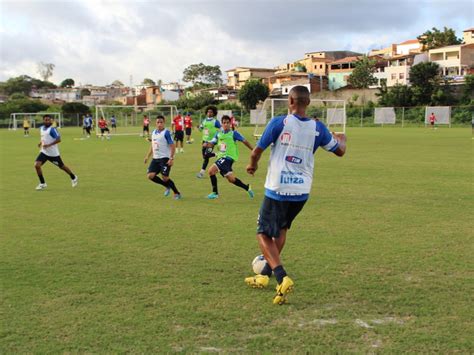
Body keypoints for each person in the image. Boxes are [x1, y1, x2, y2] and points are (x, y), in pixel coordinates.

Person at [244, 86, 346, 305]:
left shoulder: (279, 122)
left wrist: (251, 166)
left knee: (262, 233)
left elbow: (256, 151)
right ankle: (264, 275)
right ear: (308, 102)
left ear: (290, 100)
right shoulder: (319, 128)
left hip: (278, 188)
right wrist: (343, 138)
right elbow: (340, 151)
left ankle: (282, 277)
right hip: (301, 192)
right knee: (281, 229)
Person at [206, 115, 254, 199]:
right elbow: (211, 143)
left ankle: (215, 193)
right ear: (222, 124)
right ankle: (247, 187)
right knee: (231, 179)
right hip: (221, 157)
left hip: (228, 157)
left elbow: (244, 141)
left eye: (227, 123)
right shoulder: (218, 134)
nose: (225, 124)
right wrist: (208, 150)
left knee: (211, 171)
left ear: (230, 123)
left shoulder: (233, 133)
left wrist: (253, 150)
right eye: (224, 123)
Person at [34, 114, 78, 190]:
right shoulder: (41, 128)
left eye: (49, 120)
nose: (47, 121)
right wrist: (40, 143)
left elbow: (58, 139)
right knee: (37, 165)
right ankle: (42, 183)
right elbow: (43, 137)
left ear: (51, 120)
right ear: (43, 120)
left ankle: (73, 177)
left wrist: (48, 145)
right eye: (46, 119)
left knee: (62, 167)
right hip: (44, 152)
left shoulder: (52, 129)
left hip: (53, 154)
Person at [144, 115, 182, 200]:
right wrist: (147, 156)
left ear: (164, 123)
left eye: (161, 122)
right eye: (158, 122)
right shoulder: (153, 132)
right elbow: (152, 146)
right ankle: (167, 186)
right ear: (156, 123)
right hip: (155, 159)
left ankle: (177, 193)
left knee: (165, 177)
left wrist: (171, 158)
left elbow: (172, 146)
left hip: (165, 158)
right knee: (150, 176)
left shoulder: (166, 133)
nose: (159, 124)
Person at [196, 105, 221, 178]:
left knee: (207, 155)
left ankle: (201, 173)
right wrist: (199, 127)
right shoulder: (204, 121)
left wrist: (216, 137)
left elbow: (221, 129)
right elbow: (201, 129)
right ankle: (217, 154)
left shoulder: (215, 121)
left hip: (211, 142)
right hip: (204, 141)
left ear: (214, 113)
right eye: (208, 112)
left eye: (211, 112)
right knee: (205, 156)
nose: (209, 113)